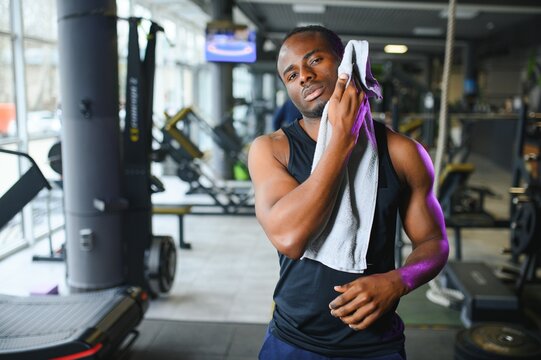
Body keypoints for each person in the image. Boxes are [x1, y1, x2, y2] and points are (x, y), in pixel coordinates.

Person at [248, 25, 449, 359]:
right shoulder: (271, 149)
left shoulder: (402, 152)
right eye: (292, 74)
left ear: (345, 64)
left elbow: (434, 242)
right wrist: (342, 138)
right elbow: (290, 237)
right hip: (293, 340)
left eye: (316, 60)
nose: (304, 77)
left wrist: (399, 280)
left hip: (376, 344)